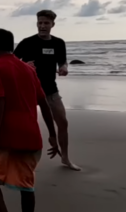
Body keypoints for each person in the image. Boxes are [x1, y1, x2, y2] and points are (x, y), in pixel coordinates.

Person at [0, 29, 60, 212]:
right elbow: (44, 103)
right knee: (26, 185)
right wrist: (53, 135)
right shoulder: (28, 69)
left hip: (7, 135)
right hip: (32, 137)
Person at [13, 10, 80, 171]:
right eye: (40, 23)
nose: (42, 26)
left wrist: (64, 68)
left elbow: (62, 61)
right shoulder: (27, 42)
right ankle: (11, 156)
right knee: (21, 125)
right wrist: (24, 65)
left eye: (46, 23)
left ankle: (65, 158)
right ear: (37, 23)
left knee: (63, 122)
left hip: (50, 90)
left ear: (52, 25)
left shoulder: (58, 43)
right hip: (28, 91)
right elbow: (11, 61)